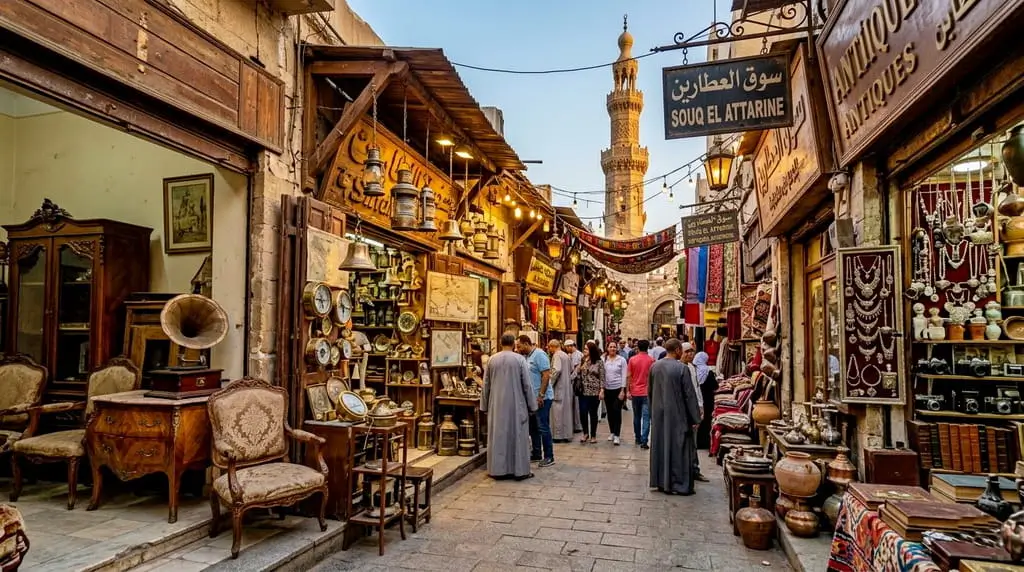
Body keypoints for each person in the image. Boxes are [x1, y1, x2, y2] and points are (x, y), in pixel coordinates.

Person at [480, 334, 537, 480]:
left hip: (497, 404)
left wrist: (484, 405)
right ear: (513, 344)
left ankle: (497, 470)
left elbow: (486, 385)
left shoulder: (492, 360)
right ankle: (519, 471)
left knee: (499, 436)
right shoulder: (519, 360)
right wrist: (532, 405)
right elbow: (527, 384)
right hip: (516, 404)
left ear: (500, 343)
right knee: (517, 437)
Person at [649, 338, 701, 495]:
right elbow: (689, 395)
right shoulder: (681, 369)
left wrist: (654, 412)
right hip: (678, 415)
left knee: (661, 445)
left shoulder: (654, 367)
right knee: (679, 448)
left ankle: (661, 481)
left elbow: (650, 392)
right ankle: (678, 483)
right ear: (678, 350)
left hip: (659, 414)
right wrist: (695, 418)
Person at [517, 335, 554, 467]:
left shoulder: (539, 355)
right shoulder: (525, 357)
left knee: (543, 427)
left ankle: (549, 456)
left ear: (526, 343)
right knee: (533, 427)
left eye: (519, 346)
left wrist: (541, 395)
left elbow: (546, 375)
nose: (518, 349)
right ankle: (537, 452)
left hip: (542, 398)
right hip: (531, 399)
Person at [680, 343, 709, 482]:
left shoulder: (692, 368)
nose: (690, 354)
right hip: (681, 411)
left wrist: (700, 407)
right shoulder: (679, 368)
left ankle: (694, 469)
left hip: (693, 409)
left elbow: (696, 389)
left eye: (692, 351)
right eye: (687, 351)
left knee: (693, 441)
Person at [627, 339, 654, 449]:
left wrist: (628, 390)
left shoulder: (632, 360)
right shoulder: (652, 360)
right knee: (646, 417)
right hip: (647, 392)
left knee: (637, 416)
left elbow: (629, 376)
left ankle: (638, 437)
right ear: (648, 347)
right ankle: (644, 440)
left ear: (637, 347)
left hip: (635, 392)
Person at [601, 341, 628, 445]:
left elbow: (624, 375)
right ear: (607, 348)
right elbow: (602, 375)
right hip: (607, 389)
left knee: (617, 411)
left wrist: (623, 390)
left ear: (616, 349)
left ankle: (617, 434)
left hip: (618, 389)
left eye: (614, 347)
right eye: (610, 347)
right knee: (610, 412)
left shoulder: (621, 360)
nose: (612, 348)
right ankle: (612, 431)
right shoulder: (604, 360)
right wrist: (602, 389)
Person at [577, 343, 604, 444]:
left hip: (594, 391)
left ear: (591, 350)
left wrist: (602, 390)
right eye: (584, 349)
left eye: (586, 349)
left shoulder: (599, 362)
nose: (584, 351)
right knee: (583, 412)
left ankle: (593, 435)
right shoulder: (583, 360)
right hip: (583, 391)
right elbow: (578, 373)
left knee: (593, 414)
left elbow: (602, 376)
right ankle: (585, 433)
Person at [548, 339, 574, 442]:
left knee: (557, 413)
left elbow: (556, 370)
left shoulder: (557, 355)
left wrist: (550, 382)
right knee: (565, 412)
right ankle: (566, 434)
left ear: (553, 346)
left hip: (559, 388)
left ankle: (558, 436)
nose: (549, 349)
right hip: (566, 387)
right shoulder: (565, 355)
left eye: (549, 347)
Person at [694, 351, 719, 450]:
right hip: (708, 399)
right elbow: (715, 386)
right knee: (706, 420)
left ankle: (697, 442)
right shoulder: (708, 372)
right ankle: (704, 442)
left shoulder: (693, 370)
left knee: (698, 419)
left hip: (698, 398)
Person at [565, 340, 584, 434]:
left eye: (567, 347)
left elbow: (577, 369)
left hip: (576, 382)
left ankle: (578, 425)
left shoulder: (579, 355)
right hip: (571, 381)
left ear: (571, 346)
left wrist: (571, 378)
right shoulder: (569, 355)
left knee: (576, 405)